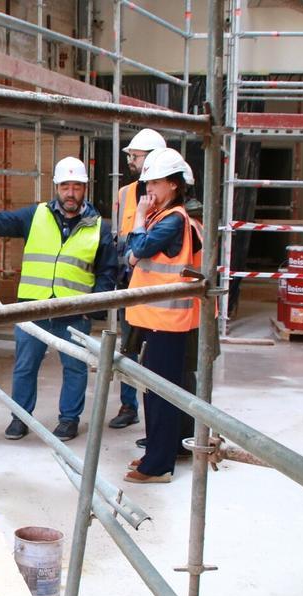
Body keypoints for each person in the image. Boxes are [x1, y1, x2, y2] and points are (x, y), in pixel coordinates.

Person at [0, 157, 118, 442]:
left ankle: (69, 420)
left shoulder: (99, 228)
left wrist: (93, 305)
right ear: (56, 187)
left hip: (73, 312)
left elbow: (108, 271)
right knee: (25, 366)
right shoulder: (36, 215)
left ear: (85, 189)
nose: (71, 192)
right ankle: (20, 417)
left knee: (74, 368)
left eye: (77, 187)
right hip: (32, 308)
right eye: (66, 186)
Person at [123, 149, 203, 484]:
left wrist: (139, 217)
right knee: (153, 391)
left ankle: (158, 466)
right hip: (155, 319)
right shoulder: (166, 217)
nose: (148, 190)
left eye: (154, 182)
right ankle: (157, 453)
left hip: (167, 322)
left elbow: (137, 250)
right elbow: (131, 251)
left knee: (161, 394)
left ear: (173, 184)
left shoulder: (172, 219)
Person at [108, 129, 167, 430]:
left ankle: (159, 412)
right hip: (129, 283)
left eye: (136, 156)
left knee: (157, 353)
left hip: (157, 288)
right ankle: (129, 405)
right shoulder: (124, 194)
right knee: (128, 347)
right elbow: (119, 239)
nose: (131, 161)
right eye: (131, 156)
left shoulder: (168, 197)